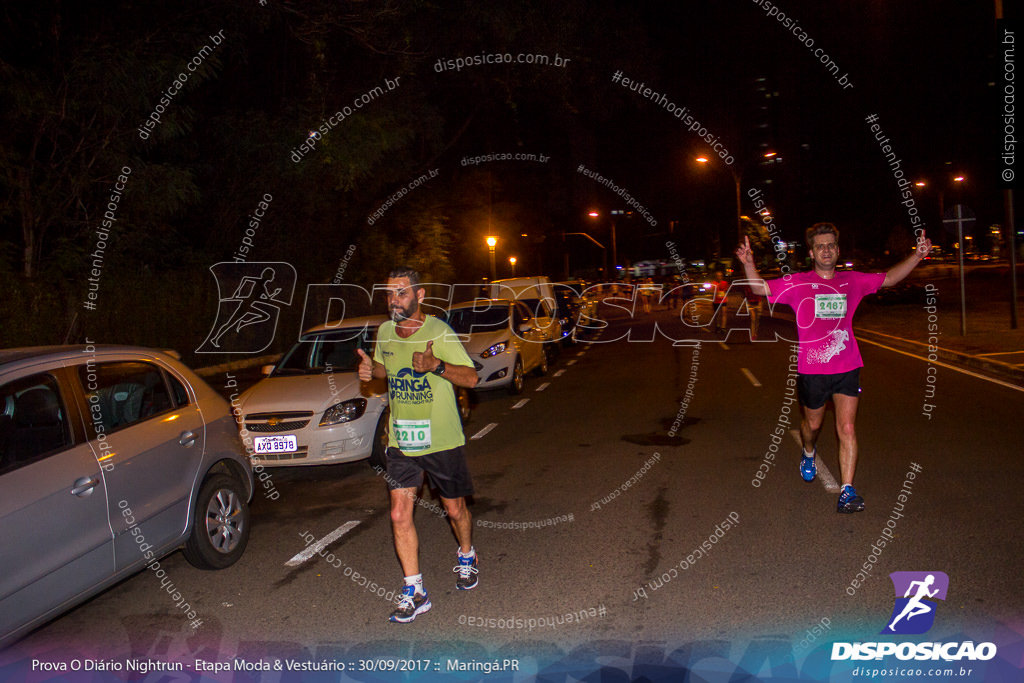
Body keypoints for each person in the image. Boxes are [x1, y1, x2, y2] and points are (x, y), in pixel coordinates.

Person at [735, 223, 931, 513]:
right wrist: (749, 264)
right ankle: (809, 451)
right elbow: (758, 288)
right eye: (820, 246)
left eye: (830, 245)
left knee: (847, 427)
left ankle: (847, 491)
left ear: (838, 251)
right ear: (812, 252)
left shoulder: (853, 281)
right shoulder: (798, 282)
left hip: (847, 365)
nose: (826, 250)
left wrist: (917, 256)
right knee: (813, 425)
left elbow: (889, 278)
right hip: (812, 370)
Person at [356, 266, 480, 622]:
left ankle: (467, 555)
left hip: (441, 441)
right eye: (390, 294)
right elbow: (384, 368)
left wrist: (436, 366)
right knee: (398, 514)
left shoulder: (438, 332)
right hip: (402, 442)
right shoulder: (384, 331)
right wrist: (371, 372)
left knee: (455, 511)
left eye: (402, 293)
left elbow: (471, 377)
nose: (395, 300)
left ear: (420, 295)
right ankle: (415, 590)